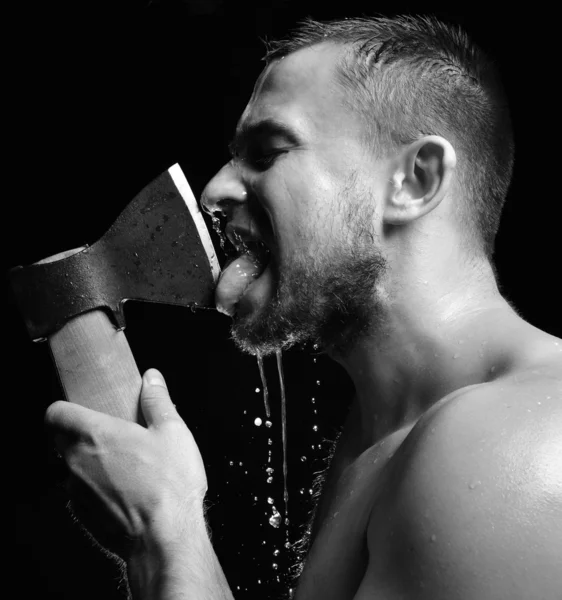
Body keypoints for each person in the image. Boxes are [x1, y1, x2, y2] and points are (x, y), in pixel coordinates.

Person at [45, 15, 562, 600]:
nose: (214, 190)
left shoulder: (499, 453)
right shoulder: (381, 437)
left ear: (414, 182)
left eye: (268, 152)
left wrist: (165, 531)